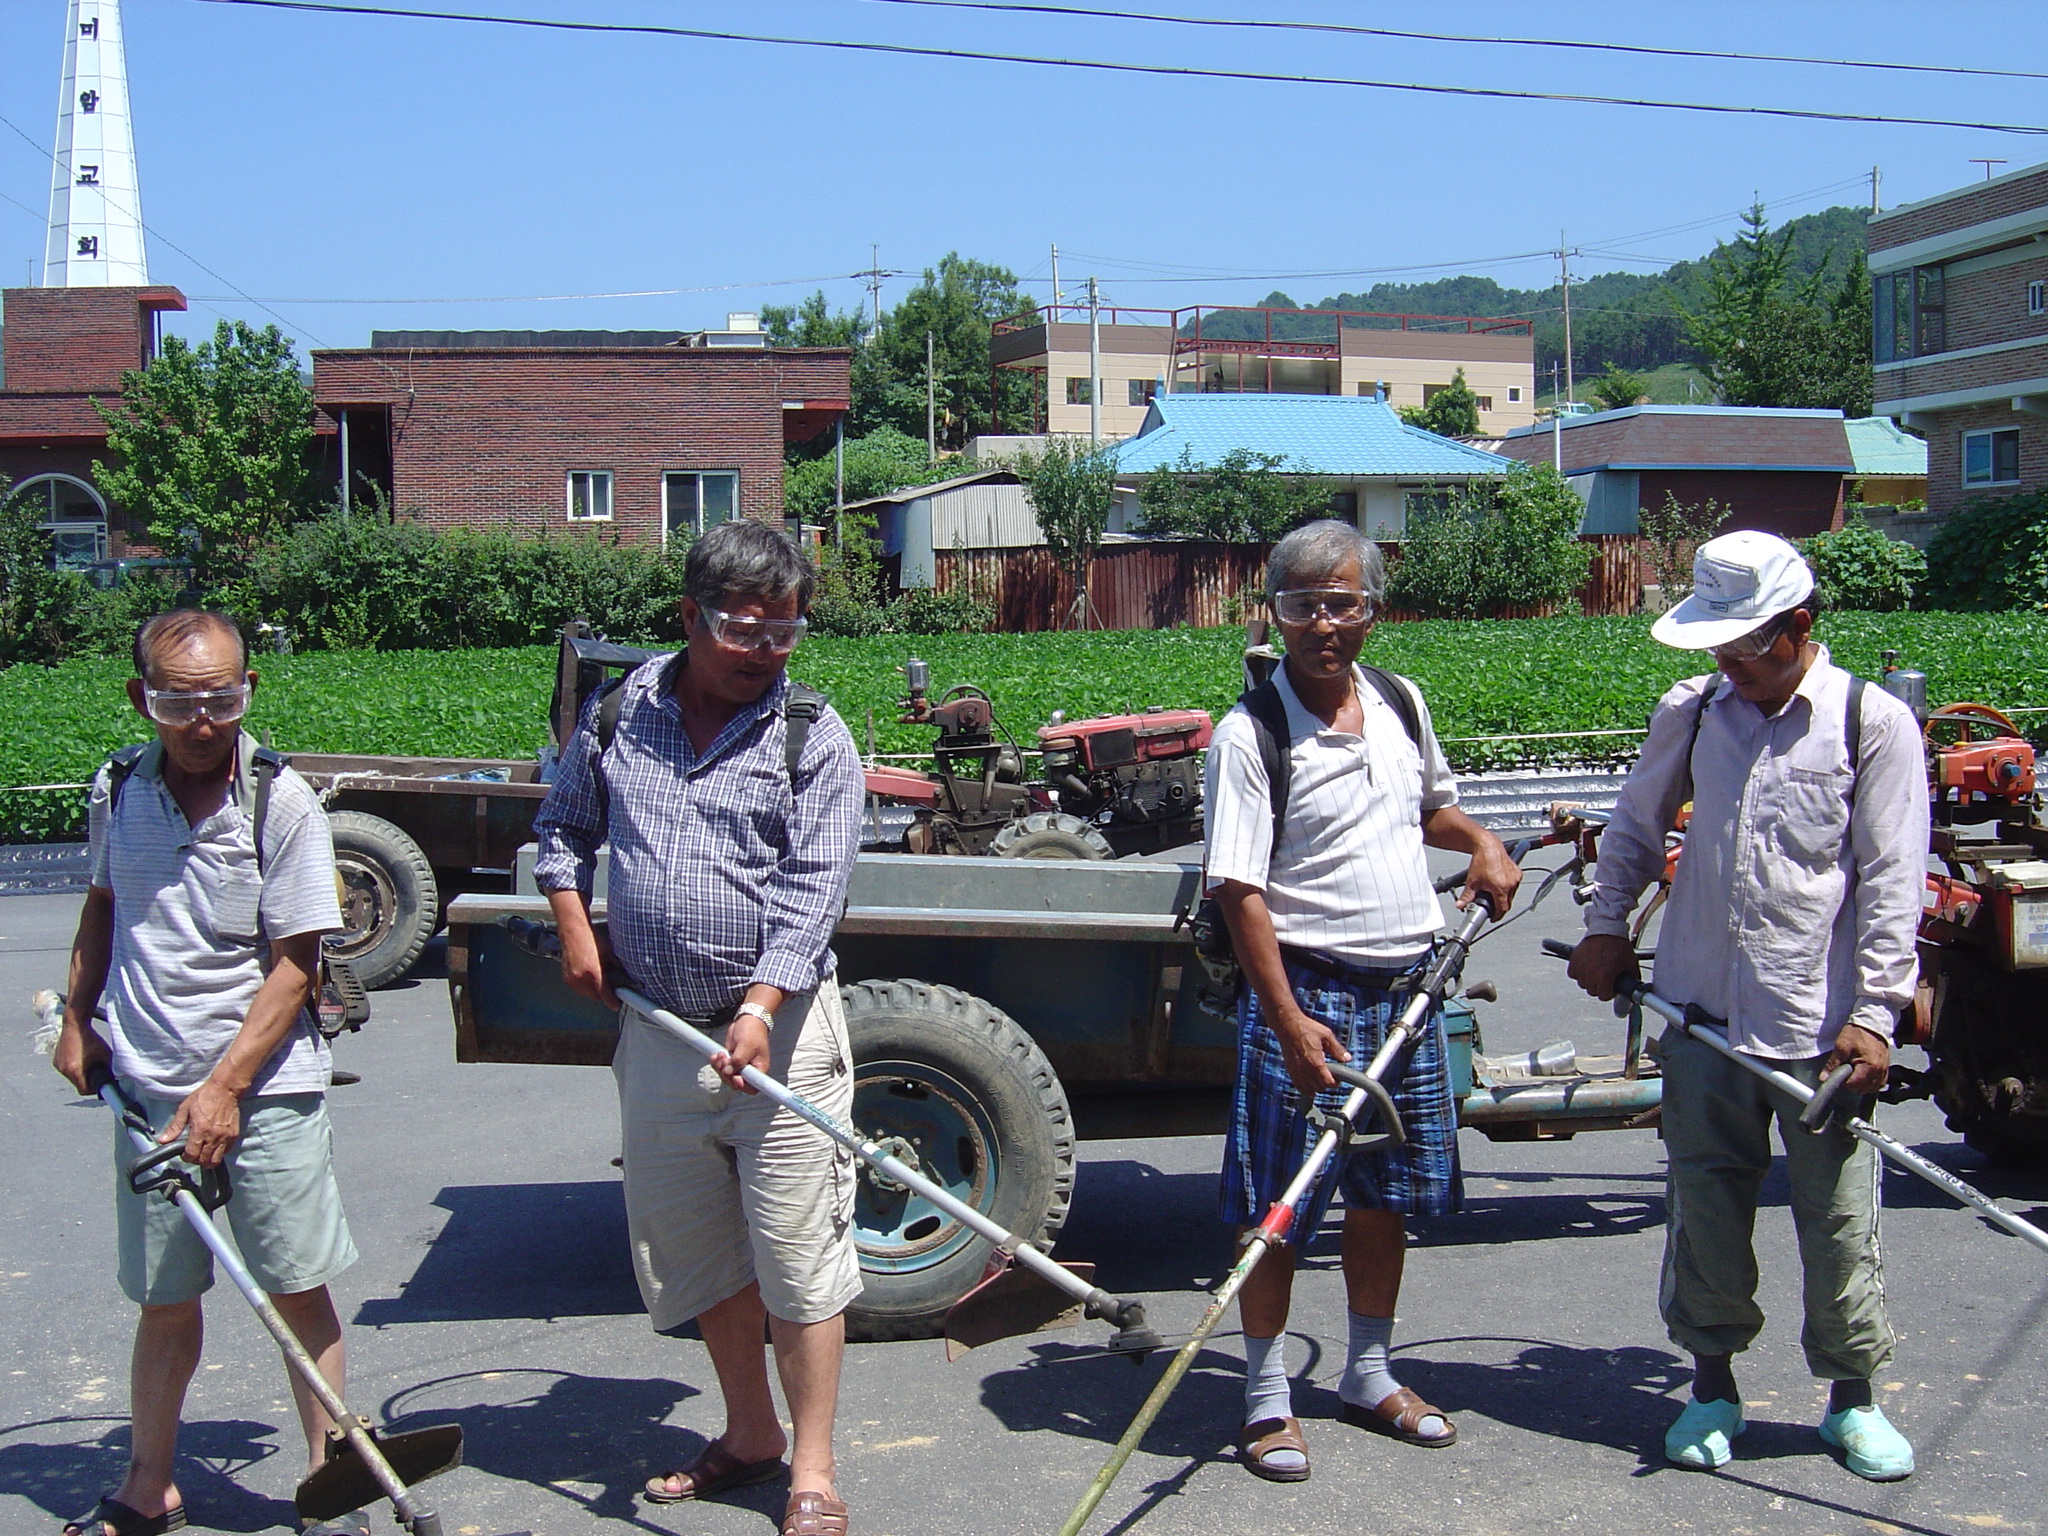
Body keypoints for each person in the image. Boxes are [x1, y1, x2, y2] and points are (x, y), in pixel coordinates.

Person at [1568, 530, 1928, 1483]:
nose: (1728, 663)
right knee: (1705, 1209)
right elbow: (1635, 827)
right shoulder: (1692, 711)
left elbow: (1893, 883)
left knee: (1837, 1219)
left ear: (1798, 626)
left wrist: (1877, 1014)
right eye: (1718, 647)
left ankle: (1852, 1399)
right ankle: (1712, 1388)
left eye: (1743, 646)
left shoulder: (1871, 723)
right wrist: (1607, 927)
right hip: (1700, 1017)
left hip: (1818, 1030)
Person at [532, 519, 865, 1536]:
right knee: (704, 1251)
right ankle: (750, 1433)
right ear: (688, 616)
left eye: (783, 633)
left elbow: (812, 897)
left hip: (782, 1035)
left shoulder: (813, 736)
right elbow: (562, 826)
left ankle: (812, 1470)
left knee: (798, 1256)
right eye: (743, 630)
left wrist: (760, 1008)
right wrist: (573, 921)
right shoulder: (617, 714)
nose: (764, 652)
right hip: (658, 1032)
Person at [1203, 520, 1521, 1482]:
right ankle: (1265, 1397)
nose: (1323, 624)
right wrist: (1289, 1022)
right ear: (1274, 615)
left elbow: (1427, 809)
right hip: (1309, 997)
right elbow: (1238, 890)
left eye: (1342, 604)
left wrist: (1484, 843)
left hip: (1409, 991)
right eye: (1302, 605)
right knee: (1278, 1202)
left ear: (1373, 611)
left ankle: (1368, 1373)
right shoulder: (1250, 734)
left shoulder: (1398, 701)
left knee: (1386, 1198)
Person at [51, 610, 354, 1536]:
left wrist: (224, 1088)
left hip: (266, 1092)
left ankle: (332, 1484)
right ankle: (149, 1487)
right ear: (141, 699)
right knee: (165, 1299)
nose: (204, 720)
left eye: (222, 698)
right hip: (149, 1090)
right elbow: (103, 905)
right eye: (179, 702)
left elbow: (296, 965)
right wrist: (77, 1019)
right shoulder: (117, 788)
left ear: (248, 690)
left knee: (295, 1287)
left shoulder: (281, 801)